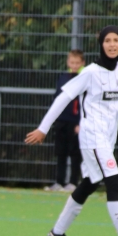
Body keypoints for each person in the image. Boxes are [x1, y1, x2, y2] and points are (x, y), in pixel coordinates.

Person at [25, 26, 118, 236]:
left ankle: (57, 233)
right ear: (101, 44)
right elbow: (63, 98)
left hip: (107, 139)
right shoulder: (90, 72)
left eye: (116, 40)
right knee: (113, 179)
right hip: (92, 137)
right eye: (107, 40)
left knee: (90, 182)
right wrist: (43, 128)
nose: (112, 44)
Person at [45, 49, 85, 192]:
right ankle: (59, 182)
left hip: (75, 122)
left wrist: (80, 122)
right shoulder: (63, 78)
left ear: (82, 63)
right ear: (68, 62)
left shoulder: (84, 78)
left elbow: (85, 103)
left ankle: (73, 182)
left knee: (75, 153)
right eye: (72, 62)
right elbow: (57, 99)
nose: (74, 65)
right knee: (60, 152)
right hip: (61, 120)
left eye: (77, 63)